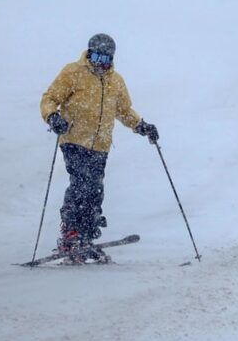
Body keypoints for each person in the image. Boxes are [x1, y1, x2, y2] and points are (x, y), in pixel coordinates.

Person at [40, 33, 159, 263]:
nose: (99, 63)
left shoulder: (116, 81)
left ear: (111, 59)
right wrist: (52, 117)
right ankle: (70, 234)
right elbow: (50, 98)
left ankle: (85, 236)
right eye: (95, 56)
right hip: (74, 139)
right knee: (81, 183)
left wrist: (142, 126)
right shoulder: (73, 72)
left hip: (101, 145)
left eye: (105, 59)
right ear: (88, 53)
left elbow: (124, 111)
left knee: (95, 190)